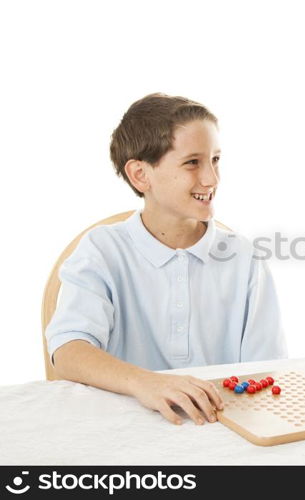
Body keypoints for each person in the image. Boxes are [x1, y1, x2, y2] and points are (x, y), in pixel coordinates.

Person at [46, 93, 287, 426]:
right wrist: (145, 381)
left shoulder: (244, 258)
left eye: (215, 159)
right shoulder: (101, 250)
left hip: (220, 431)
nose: (212, 179)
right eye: (193, 163)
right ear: (140, 175)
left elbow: (266, 372)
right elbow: (68, 352)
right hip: (123, 432)